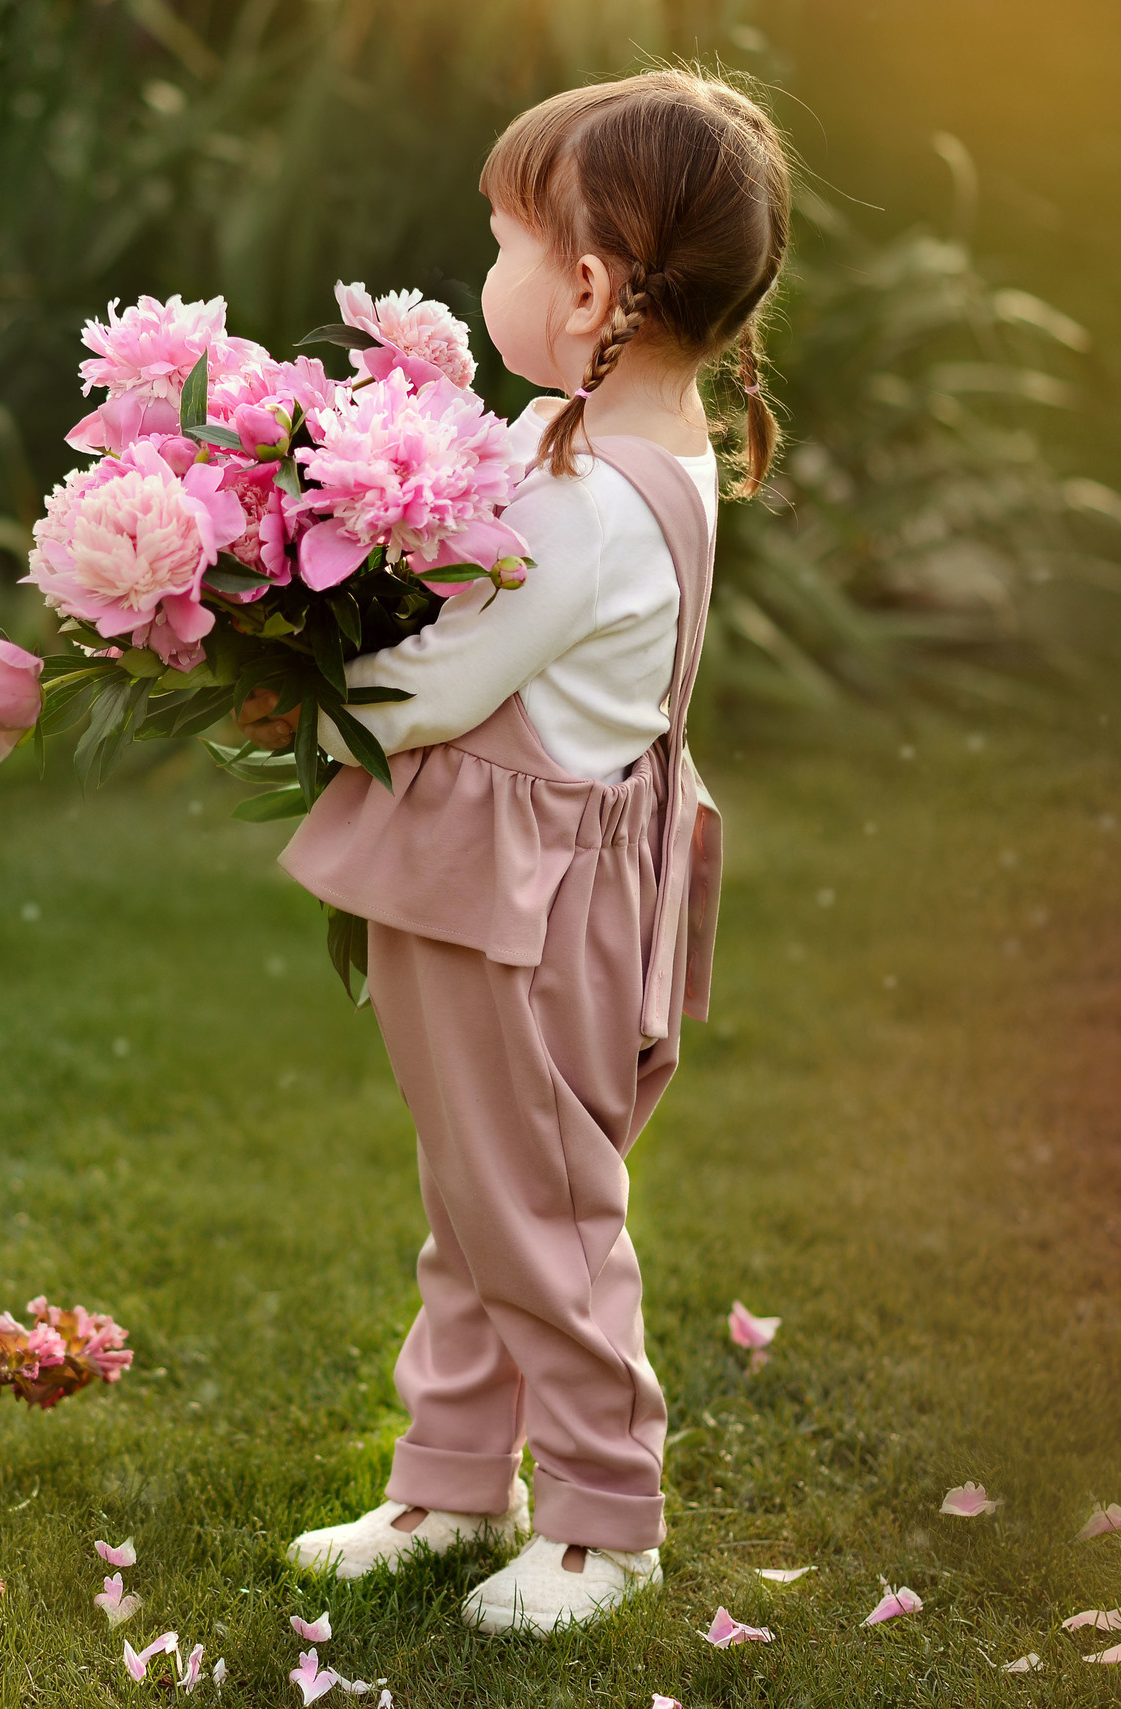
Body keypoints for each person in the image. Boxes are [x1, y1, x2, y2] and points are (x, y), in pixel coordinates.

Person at [237, 67, 789, 1635]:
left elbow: (433, 687)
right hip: (545, 873)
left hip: (520, 898)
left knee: (535, 1201)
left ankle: (608, 1513)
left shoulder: (591, 501)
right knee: (480, 1191)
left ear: (595, 285)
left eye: (501, 243)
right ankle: (451, 1479)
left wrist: (273, 651)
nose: (486, 276)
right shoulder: (619, 436)